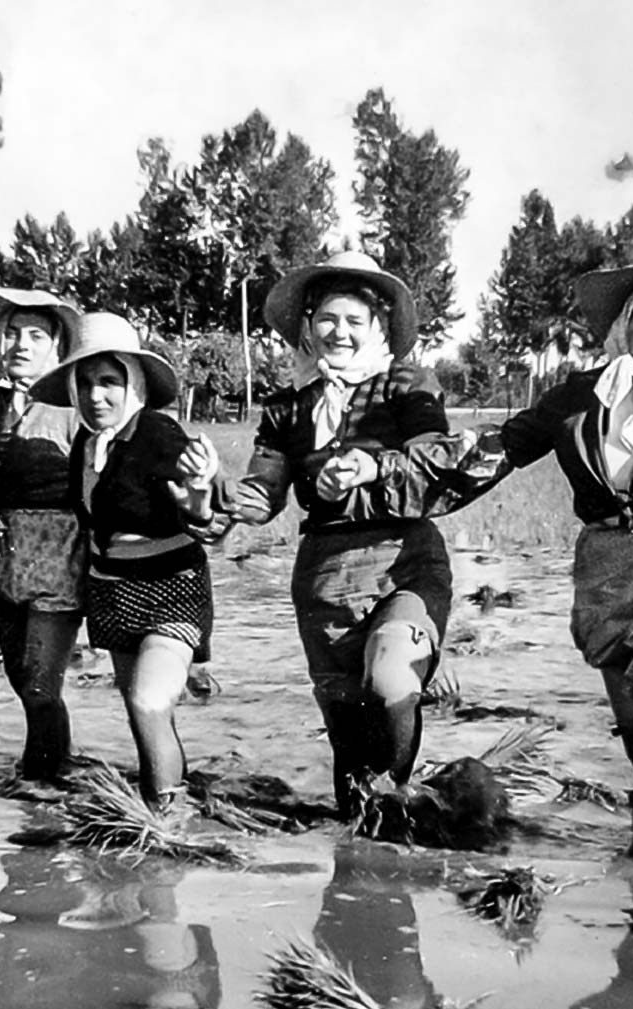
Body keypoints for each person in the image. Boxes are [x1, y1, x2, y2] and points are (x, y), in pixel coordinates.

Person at [178, 251, 458, 818]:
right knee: (347, 732)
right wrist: (213, 487)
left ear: (379, 328)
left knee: (390, 677)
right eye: (329, 319)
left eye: (356, 321)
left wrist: (372, 466)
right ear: (308, 327)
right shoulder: (287, 410)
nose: (341, 332)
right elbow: (260, 497)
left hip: (404, 557)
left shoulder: (408, 387)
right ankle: (359, 858)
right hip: (325, 575)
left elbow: (437, 456)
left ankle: (394, 800)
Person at [452, 253, 633, 849]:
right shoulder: (580, 396)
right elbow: (505, 448)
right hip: (611, 582)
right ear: (624, 320)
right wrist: (419, 482)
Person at [30, 312, 215, 810]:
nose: (96, 396)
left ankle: (165, 820)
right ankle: (165, 797)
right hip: (111, 592)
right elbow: (89, 525)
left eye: (109, 382)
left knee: (148, 700)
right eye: (85, 383)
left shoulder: (158, 433)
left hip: (170, 587)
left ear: (132, 382)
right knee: (141, 714)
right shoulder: (84, 447)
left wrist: (199, 493)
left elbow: (207, 511)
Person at [0, 288, 84, 782]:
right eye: (12, 333)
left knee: (40, 679)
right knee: (19, 674)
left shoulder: (77, 405)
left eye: (36, 335)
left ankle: (42, 777)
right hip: (1, 554)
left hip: (62, 554)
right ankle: (56, 766)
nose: (21, 344)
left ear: (56, 347)